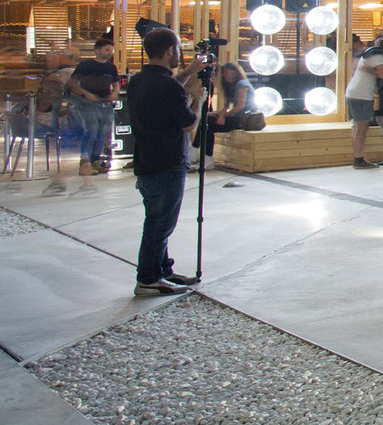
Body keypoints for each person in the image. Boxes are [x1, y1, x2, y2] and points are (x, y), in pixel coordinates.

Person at [125, 28, 206, 296]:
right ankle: (148, 278)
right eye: (179, 49)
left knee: (156, 219)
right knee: (160, 225)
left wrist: (190, 71)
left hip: (147, 161)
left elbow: (169, 89)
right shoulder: (169, 86)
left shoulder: (139, 80)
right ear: (171, 50)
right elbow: (188, 125)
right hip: (168, 163)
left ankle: (163, 271)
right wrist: (198, 101)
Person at [65, 34, 121, 189]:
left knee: (103, 132)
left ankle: (95, 160)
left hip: (104, 102)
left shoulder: (111, 67)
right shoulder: (85, 66)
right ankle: (85, 162)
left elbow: (116, 83)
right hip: (87, 103)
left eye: (111, 50)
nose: (109, 52)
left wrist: (115, 92)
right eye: (107, 50)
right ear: (97, 51)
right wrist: (85, 93)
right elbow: (72, 83)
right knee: (92, 129)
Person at [346, 34, 383, 170]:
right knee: (361, 127)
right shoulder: (377, 56)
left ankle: (358, 157)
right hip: (362, 94)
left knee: (357, 127)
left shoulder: (368, 53)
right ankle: (359, 159)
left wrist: (370, 70)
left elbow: (356, 67)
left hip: (355, 91)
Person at [207, 63, 254, 137]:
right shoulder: (231, 86)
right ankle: (199, 146)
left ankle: (197, 147)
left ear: (235, 73)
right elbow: (226, 106)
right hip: (238, 116)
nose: (224, 75)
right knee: (206, 119)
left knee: (209, 124)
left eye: (226, 73)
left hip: (245, 118)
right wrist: (221, 115)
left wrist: (224, 116)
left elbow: (240, 106)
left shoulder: (242, 84)